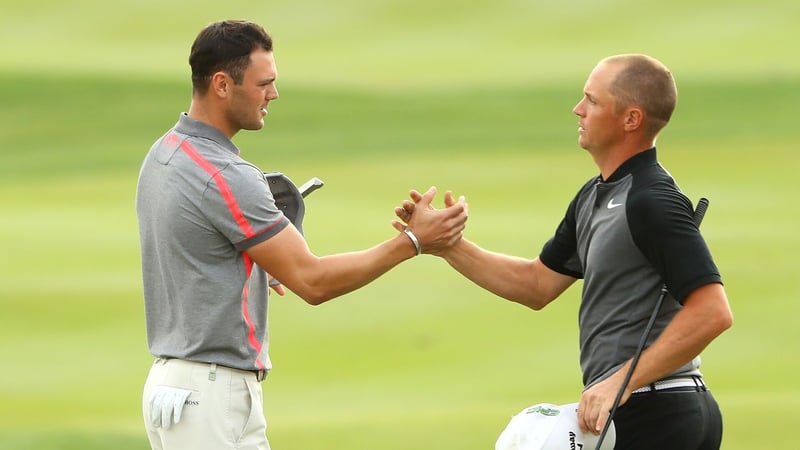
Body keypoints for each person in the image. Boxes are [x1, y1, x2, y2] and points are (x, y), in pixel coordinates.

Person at [135, 19, 467, 450]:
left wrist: (257, 256)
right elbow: (313, 282)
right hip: (211, 396)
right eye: (264, 83)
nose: (273, 94)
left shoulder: (164, 153)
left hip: (175, 386)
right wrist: (413, 242)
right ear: (221, 84)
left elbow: (195, 244)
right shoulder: (227, 175)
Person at [394, 54, 733, 449]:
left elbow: (712, 310)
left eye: (592, 101)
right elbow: (536, 284)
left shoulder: (651, 199)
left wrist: (618, 382)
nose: (578, 109)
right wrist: (447, 245)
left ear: (631, 119)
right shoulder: (594, 195)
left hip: (658, 412)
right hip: (639, 409)